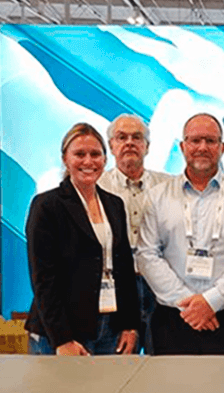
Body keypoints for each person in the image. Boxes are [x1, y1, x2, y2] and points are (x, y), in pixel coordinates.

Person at [137, 113, 224, 355]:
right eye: (195, 141)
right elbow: (147, 255)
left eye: (210, 140)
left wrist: (211, 301)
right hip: (173, 320)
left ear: (222, 147)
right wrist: (190, 305)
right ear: (182, 146)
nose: (202, 148)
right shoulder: (157, 197)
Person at [25, 123, 139, 356]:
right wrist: (62, 339)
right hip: (65, 330)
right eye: (79, 154)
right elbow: (43, 280)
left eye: (95, 154)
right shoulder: (46, 206)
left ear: (105, 159)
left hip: (111, 328)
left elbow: (125, 269)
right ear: (65, 159)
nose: (88, 161)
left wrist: (131, 325)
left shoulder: (114, 204)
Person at [97, 114, 171, 355]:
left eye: (136, 137)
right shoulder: (96, 187)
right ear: (111, 146)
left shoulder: (170, 187)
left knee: (163, 361)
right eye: (122, 137)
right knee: (117, 362)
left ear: (147, 146)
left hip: (160, 286)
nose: (129, 143)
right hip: (115, 287)